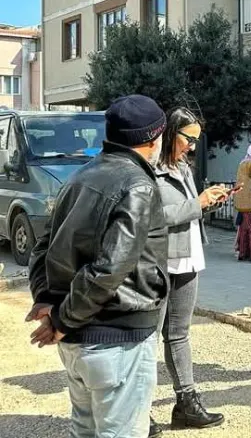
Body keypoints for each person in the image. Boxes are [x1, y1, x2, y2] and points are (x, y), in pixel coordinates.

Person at [26, 94, 169, 438]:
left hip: (78, 339)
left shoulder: (80, 175)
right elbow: (109, 268)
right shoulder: (137, 185)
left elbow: (43, 246)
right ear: (155, 138)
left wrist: (47, 299)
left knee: (85, 429)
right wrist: (61, 318)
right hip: (116, 338)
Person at [154, 108, 229, 430]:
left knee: (179, 333)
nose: (193, 146)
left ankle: (186, 403)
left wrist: (209, 202)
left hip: (188, 257)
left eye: (197, 140)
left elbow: (187, 210)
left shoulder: (183, 166)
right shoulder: (149, 169)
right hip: (161, 261)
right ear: (172, 132)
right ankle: (137, 409)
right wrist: (197, 203)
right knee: (147, 338)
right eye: (189, 138)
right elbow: (154, 216)